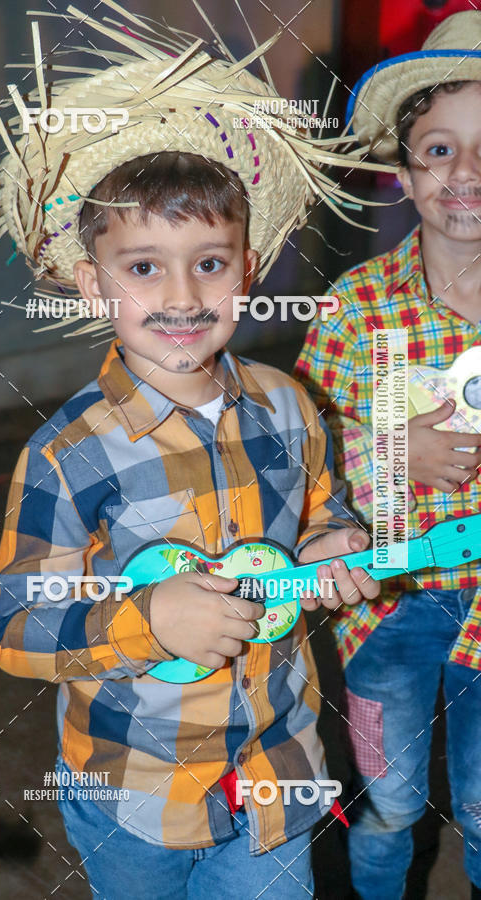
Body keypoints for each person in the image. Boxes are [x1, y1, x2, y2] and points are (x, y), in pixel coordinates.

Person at [0, 4, 385, 896]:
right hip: (135, 789)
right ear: (92, 280)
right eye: (145, 265)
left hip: (279, 770)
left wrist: (333, 544)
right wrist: (147, 622)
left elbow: (325, 506)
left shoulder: (288, 404)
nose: (183, 294)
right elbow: (16, 627)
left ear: (250, 267)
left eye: (210, 261)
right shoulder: (67, 451)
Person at [294, 11, 481, 900]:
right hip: (389, 608)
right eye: (438, 150)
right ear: (404, 171)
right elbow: (301, 453)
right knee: (392, 803)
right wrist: (390, 451)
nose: (465, 173)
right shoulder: (358, 301)